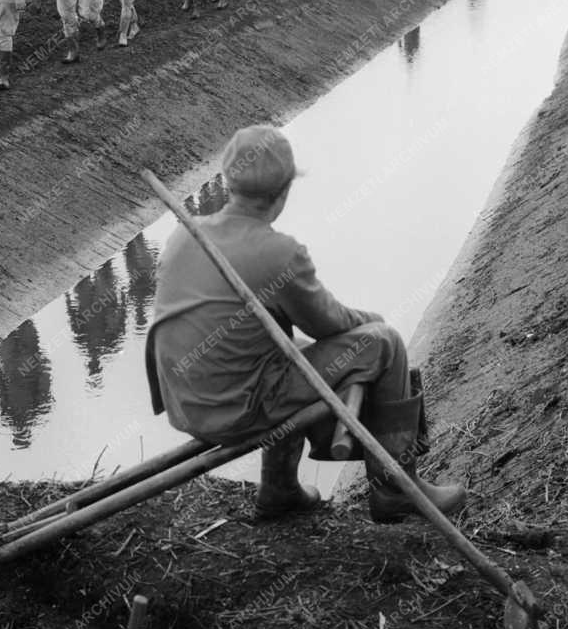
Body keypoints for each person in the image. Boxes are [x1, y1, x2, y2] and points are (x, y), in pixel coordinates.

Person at [145, 125, 467, 521]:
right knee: (385, 342)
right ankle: (396, 490)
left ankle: (280, 488)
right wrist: (372, 321)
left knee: (284, 348)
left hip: (184, 405)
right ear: (283, 192)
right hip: (236, 411)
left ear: (228, 182)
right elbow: (328, 323)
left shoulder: (184, 235)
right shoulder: (279, 253)